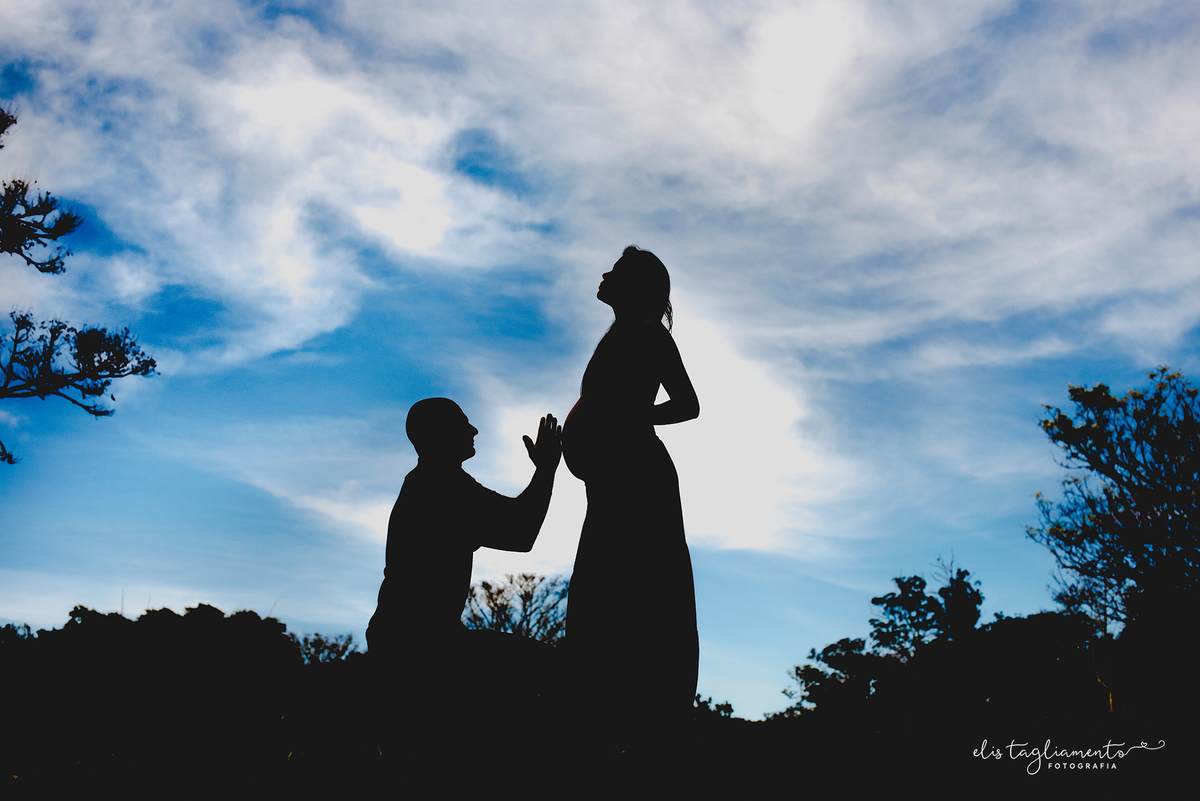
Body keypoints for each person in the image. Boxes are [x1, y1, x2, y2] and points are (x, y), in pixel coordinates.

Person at [561, 246, 700, 744]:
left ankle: (645, 727)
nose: (604, 274)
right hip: (612, 484)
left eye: (615, 271)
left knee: (639, 595)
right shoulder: (619, 337)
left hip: (638, 483)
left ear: (635, 286)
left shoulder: (648, 334)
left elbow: (688, 405)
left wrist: (635, 419)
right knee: (603, 596)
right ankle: (608, 721)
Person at [366, 398, 562, 737]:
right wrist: (545, 470)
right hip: (421, 646)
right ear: (439, 434)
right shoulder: (443, 486)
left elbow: (518, 528)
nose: (472, 430)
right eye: (462, 424)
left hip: (415, 639)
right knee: (551, 672)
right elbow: (521, 531)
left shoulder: (437, 481)